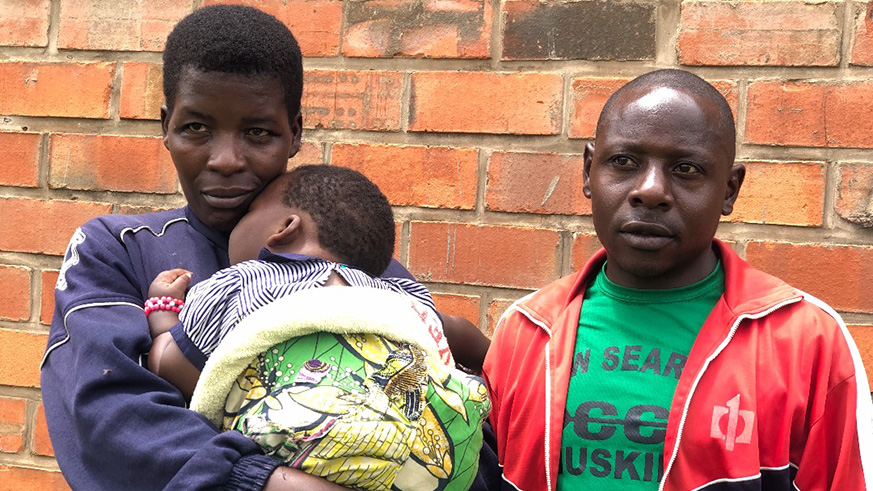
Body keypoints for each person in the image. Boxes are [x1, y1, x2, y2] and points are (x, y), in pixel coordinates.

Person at [40, 5, 494, 490]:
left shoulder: (368, 270)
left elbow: (458, 421)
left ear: (295, 133)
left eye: (258, 132)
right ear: (166, 127)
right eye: (196, 127)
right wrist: (263, 481)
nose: (227, 160)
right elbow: (107, 415)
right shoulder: (118, 250)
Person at [482, 69, 873, 490]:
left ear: (729, 189)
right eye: (625, 162)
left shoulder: (806, 341)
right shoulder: (526, 330)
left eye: (686, 168)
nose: (650, 190)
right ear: (588, 171)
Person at [145, 165, 489, 490]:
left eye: (249, 213)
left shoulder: (238, 284)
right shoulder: (399, 295)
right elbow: (458, 331)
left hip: (302, 448)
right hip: (430, 460)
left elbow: (170, 365)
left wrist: (163, 313)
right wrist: (487, 360)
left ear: (284, 230)